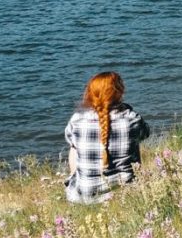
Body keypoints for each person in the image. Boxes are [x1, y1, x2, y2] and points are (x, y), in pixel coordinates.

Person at [64, 71, 149, 203]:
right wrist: (127, 109)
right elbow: (145, 134)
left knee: (74, 146)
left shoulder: (77, 119)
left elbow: (70, 139)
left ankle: (74, 178)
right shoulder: (132, 118)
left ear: (91, 93)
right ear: (120, 92)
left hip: (85, 195)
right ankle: (136, 178)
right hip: (126, 191)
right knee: (135, 140)